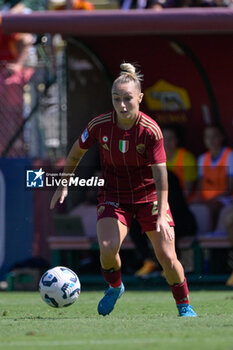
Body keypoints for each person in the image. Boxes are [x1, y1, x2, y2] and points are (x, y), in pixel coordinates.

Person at [50, 62, 197, 317]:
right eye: (116, 99)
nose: (122, 105)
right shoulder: (100, 125)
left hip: (148, 196)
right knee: (107, 248)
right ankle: (115, 287)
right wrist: (63, 182)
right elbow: (76, 152)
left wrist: (162, 213)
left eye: (128, 98)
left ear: (139, 97)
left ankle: (184, 305)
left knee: (167, 257)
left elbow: (161, 175)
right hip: (114, 195)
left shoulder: (150, 131)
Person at [191, 124, 233, 233]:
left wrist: (210, 201)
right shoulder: (202, 158)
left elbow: (230, 188)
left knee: (209, 208)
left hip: (226, 199)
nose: (211, 140)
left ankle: (212, 237)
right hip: (208, 200)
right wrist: (197, 200)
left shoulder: (230, 155)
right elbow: (200, 186)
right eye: (208, 137)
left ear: (222, 137)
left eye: (214, 136)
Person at [163, 125, 197, 201]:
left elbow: (187, 191)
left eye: (171, 138)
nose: (167, 142)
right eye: (164, 138)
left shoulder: (187, 158)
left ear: (177, 140)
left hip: (184, 202)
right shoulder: (155, 158)